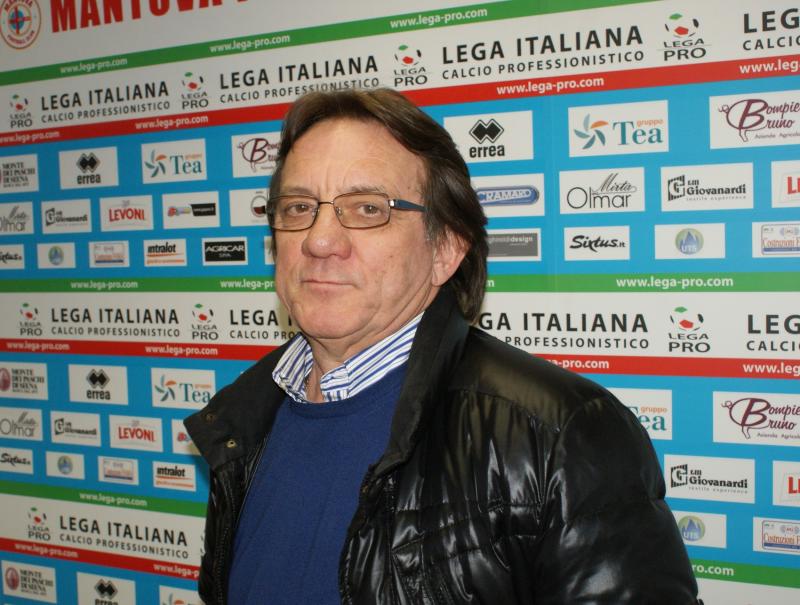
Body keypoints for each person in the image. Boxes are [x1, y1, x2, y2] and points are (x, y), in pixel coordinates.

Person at [185, 88, 700, 604]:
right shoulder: (242, 422)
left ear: (446, 249)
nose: (319, 241)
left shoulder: (561, 436)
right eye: (299, 207)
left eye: (367, 209)